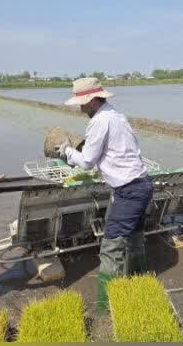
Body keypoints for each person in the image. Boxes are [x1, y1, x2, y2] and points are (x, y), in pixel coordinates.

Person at [58, 77, 153, 304]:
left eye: (82, 104)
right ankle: (139, 286)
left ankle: (107, 305)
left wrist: (68, 151)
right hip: (141, 186)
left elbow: (88, 161)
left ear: (91, 101)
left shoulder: (100, 121)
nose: (80, 108)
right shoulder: (116, 115)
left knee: (111, 247)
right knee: (134, 239)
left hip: (128, 190)